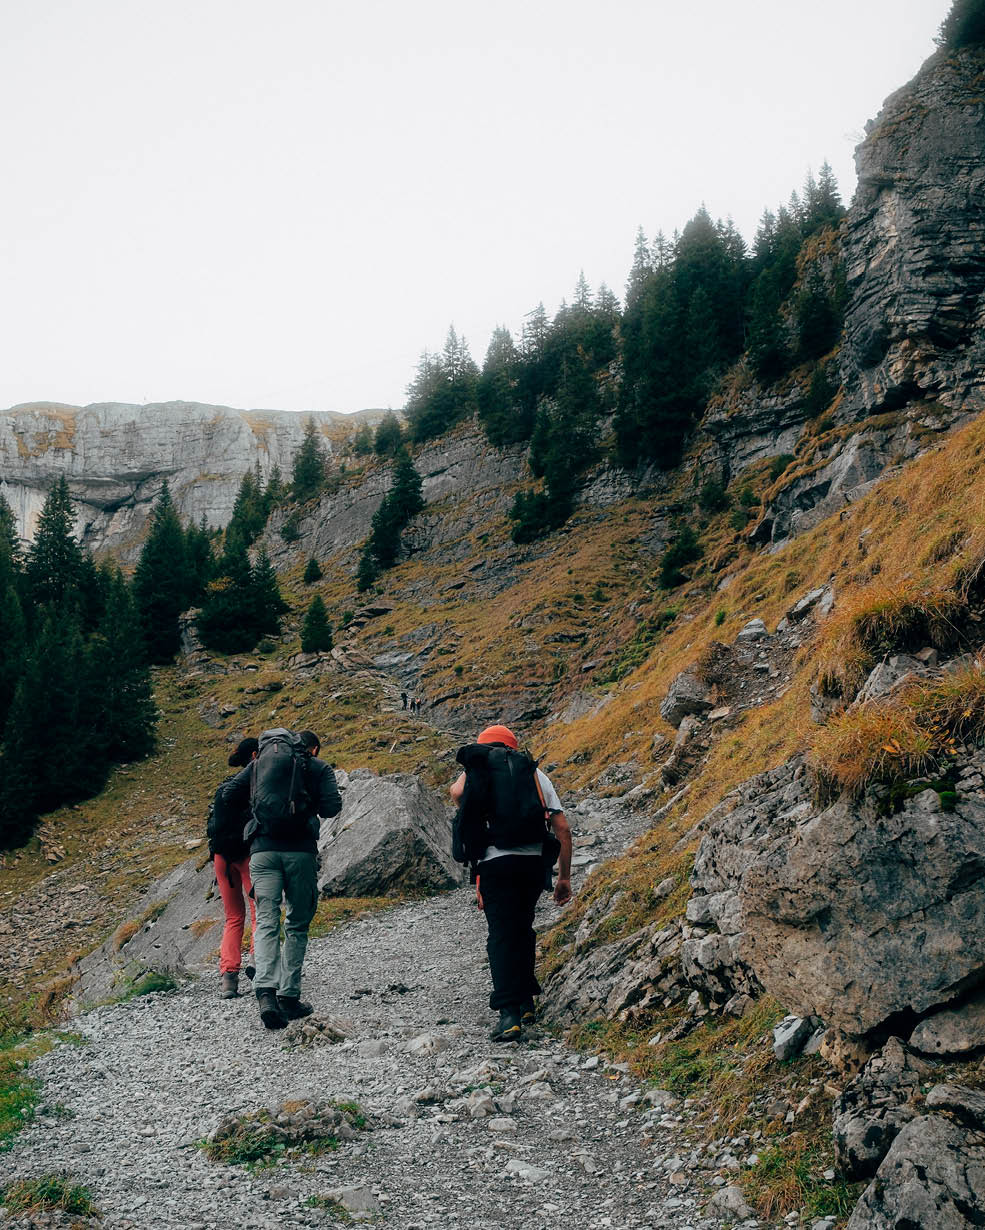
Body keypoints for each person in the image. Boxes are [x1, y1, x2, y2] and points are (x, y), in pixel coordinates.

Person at [450, 724, 572, 1042]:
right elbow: (562, 828)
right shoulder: (534, 774)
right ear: (514, 747)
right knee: (522, 927)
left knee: (502, 934)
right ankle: (526, 1000)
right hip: (533, 863)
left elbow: (456, 794)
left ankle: (508, 1015)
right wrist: (564, 877)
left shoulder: (479, 768)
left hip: (495, 864)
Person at [224, 728, 342, 1030]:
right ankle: (289, 996)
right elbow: (332, 807)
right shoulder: (316, 766)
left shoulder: (257, 765)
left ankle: (265, 993)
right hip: (300, 853)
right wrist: (305, 805)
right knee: (297, 922)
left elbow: (227, 794)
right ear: (306, 748)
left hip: (262, 852)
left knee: (266, 920)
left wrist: (257, 807)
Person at [208, 737, 259, 1000]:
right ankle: (257, 962)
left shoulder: (223, 788)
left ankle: (229, 978)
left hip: (221, 859)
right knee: (259, 910)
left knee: (233, 917)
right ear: (254, 756)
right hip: (248, 856)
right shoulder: (253, 786)